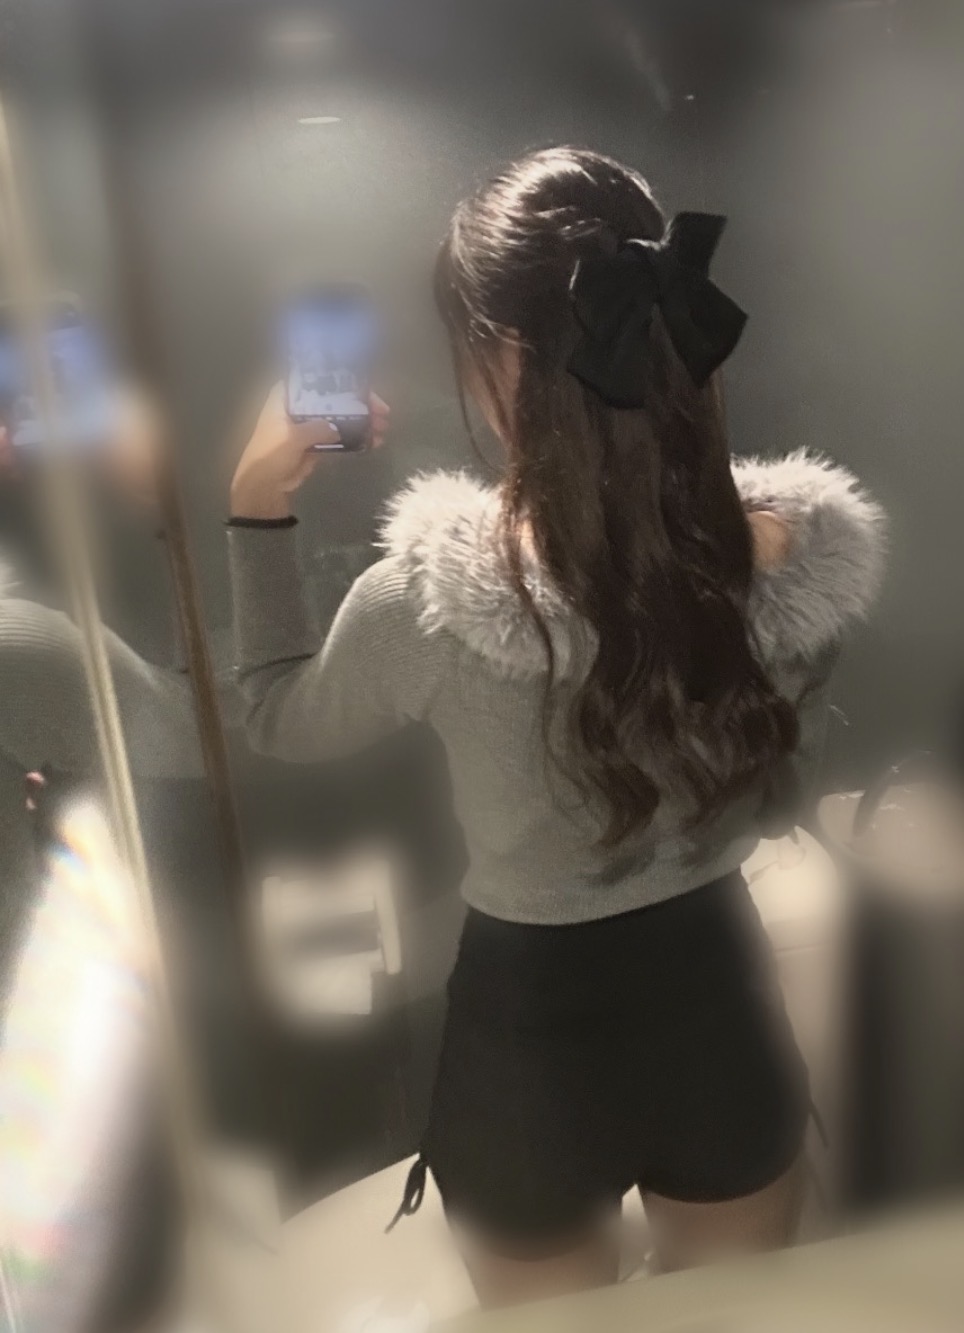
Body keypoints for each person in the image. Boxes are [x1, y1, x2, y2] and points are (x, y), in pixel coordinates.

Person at [225, 147, 887, 1306]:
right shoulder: (798, 561)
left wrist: (255, 500)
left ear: (501, 358)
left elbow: (274, 713)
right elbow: (764, 750)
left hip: (528, 1048)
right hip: (719, 1011)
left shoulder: (428, 600)